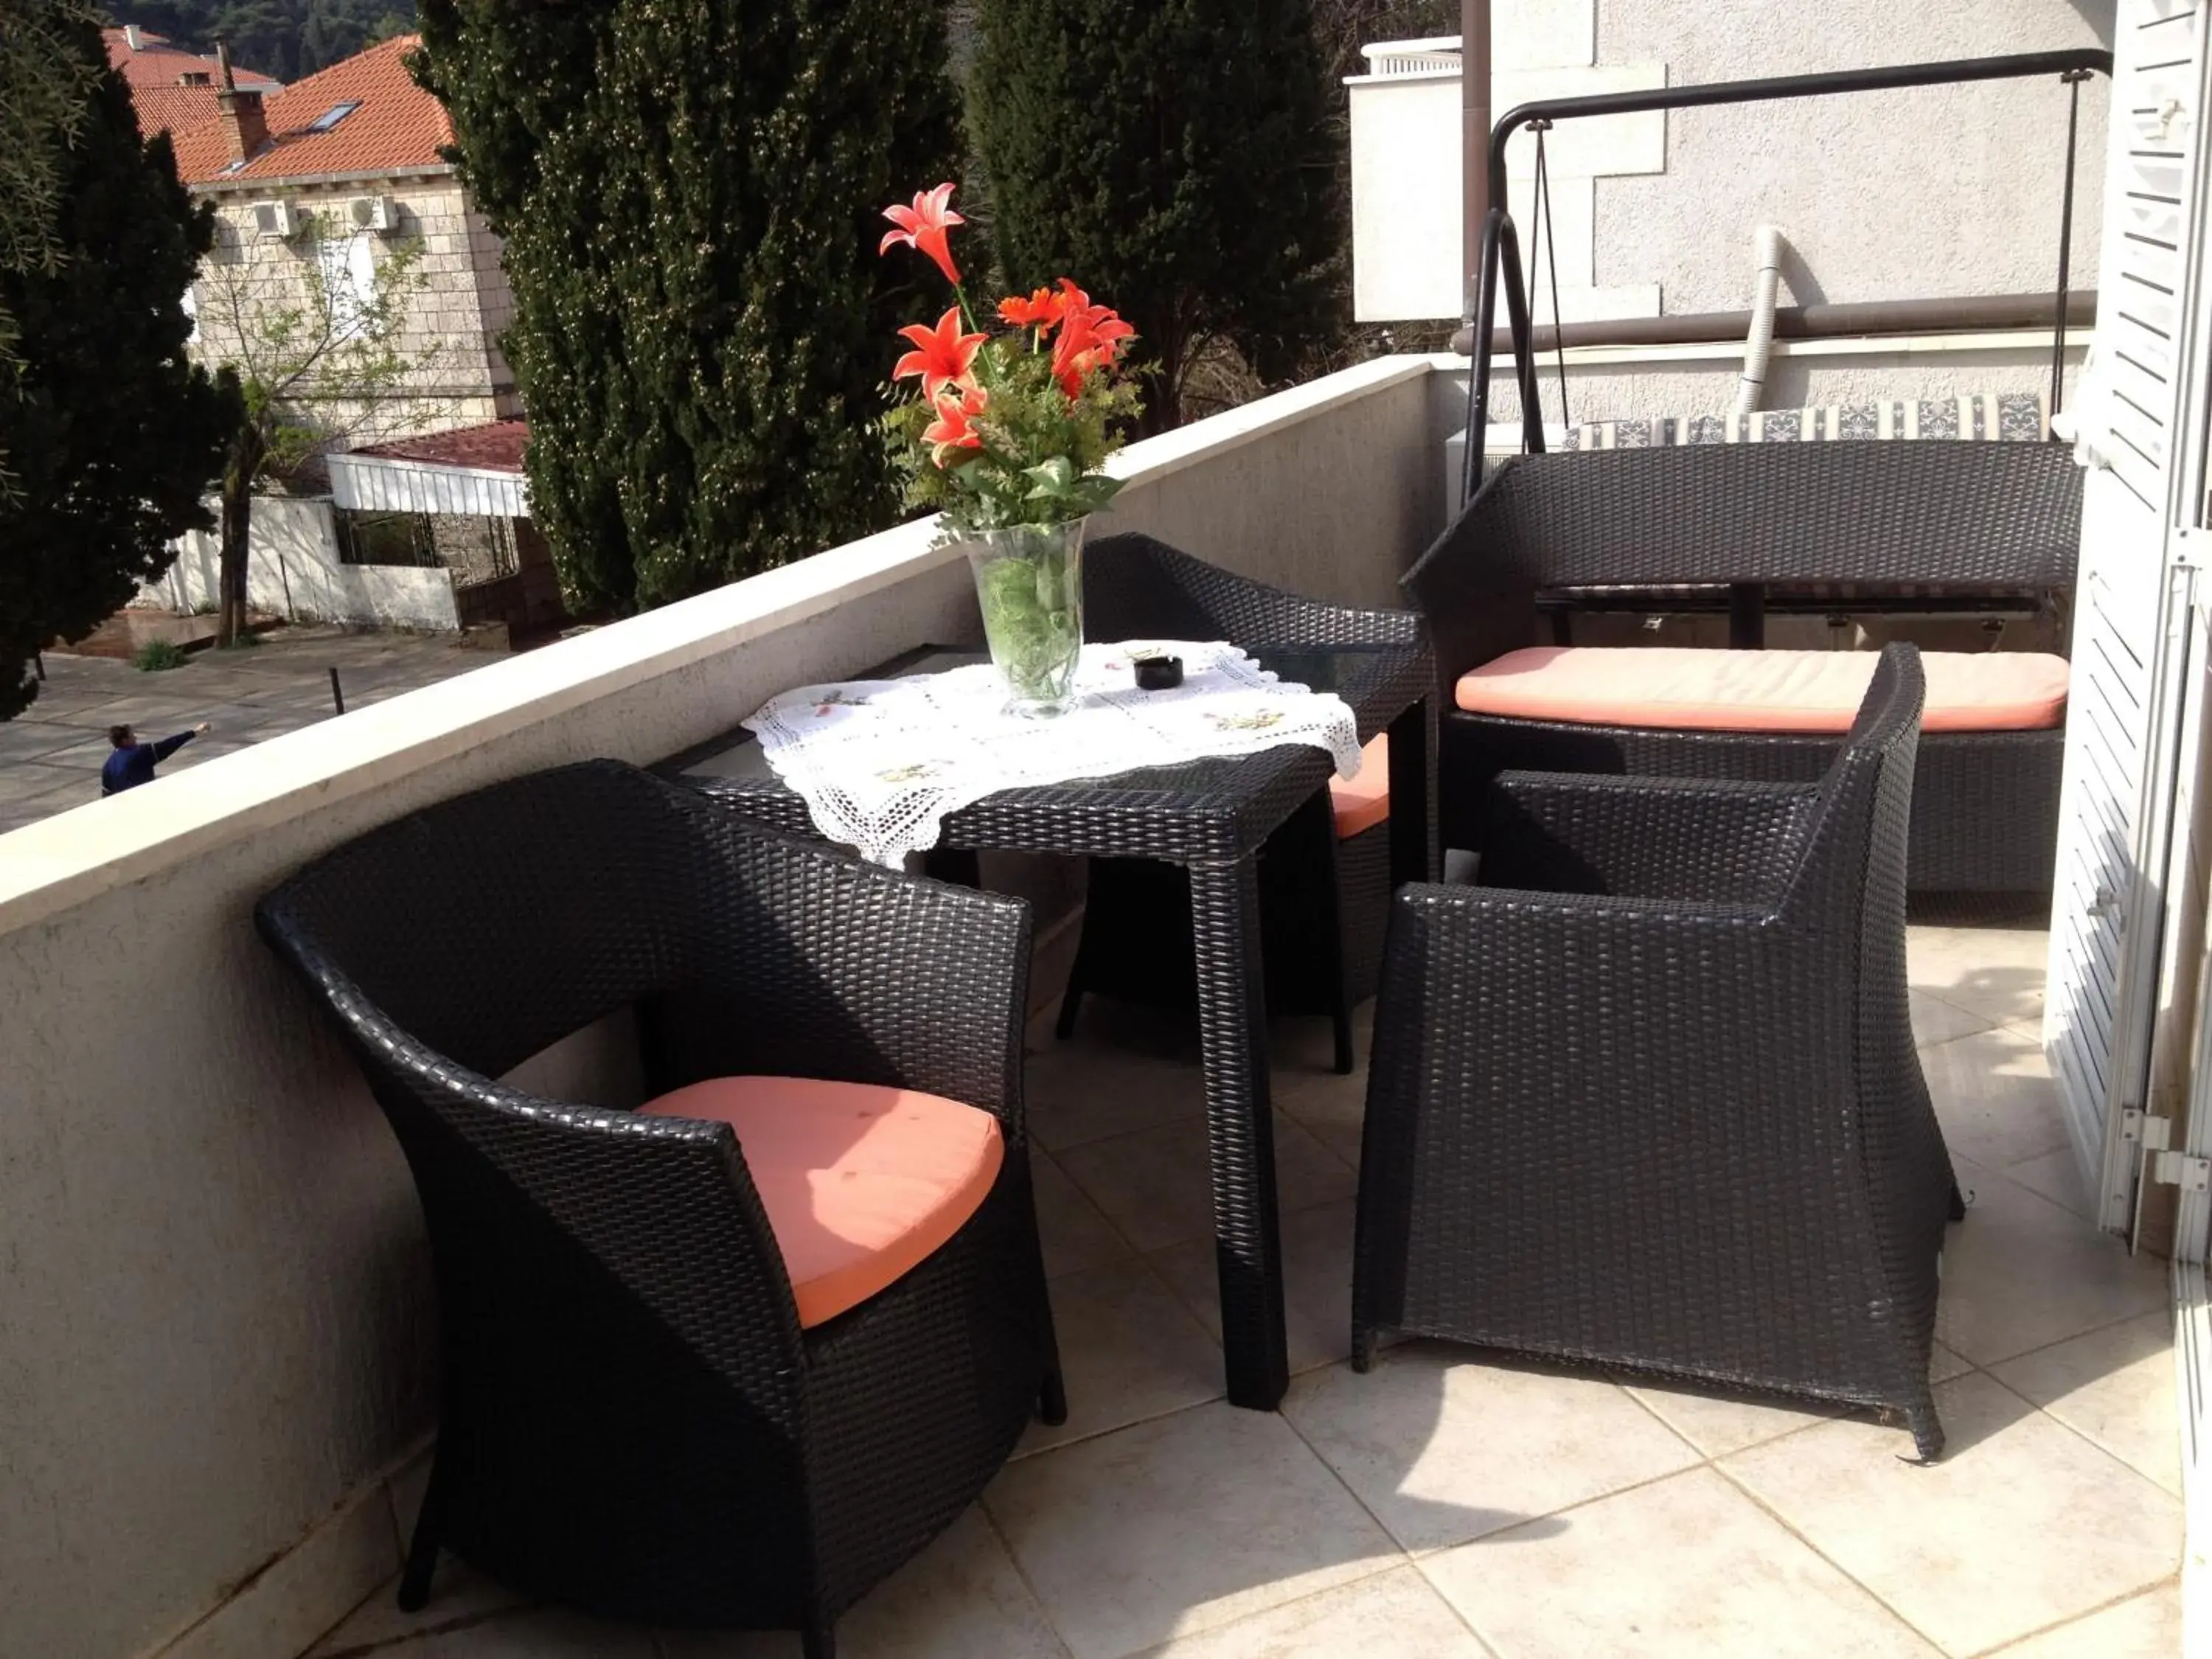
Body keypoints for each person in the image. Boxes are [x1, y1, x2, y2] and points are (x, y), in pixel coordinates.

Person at [101, 721, 211, 796]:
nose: (135, 738)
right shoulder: (140, 753)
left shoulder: (107, 767)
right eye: (131, 736)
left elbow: (107, 796)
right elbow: (168, 745)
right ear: (124, 741)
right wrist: (195, 732)